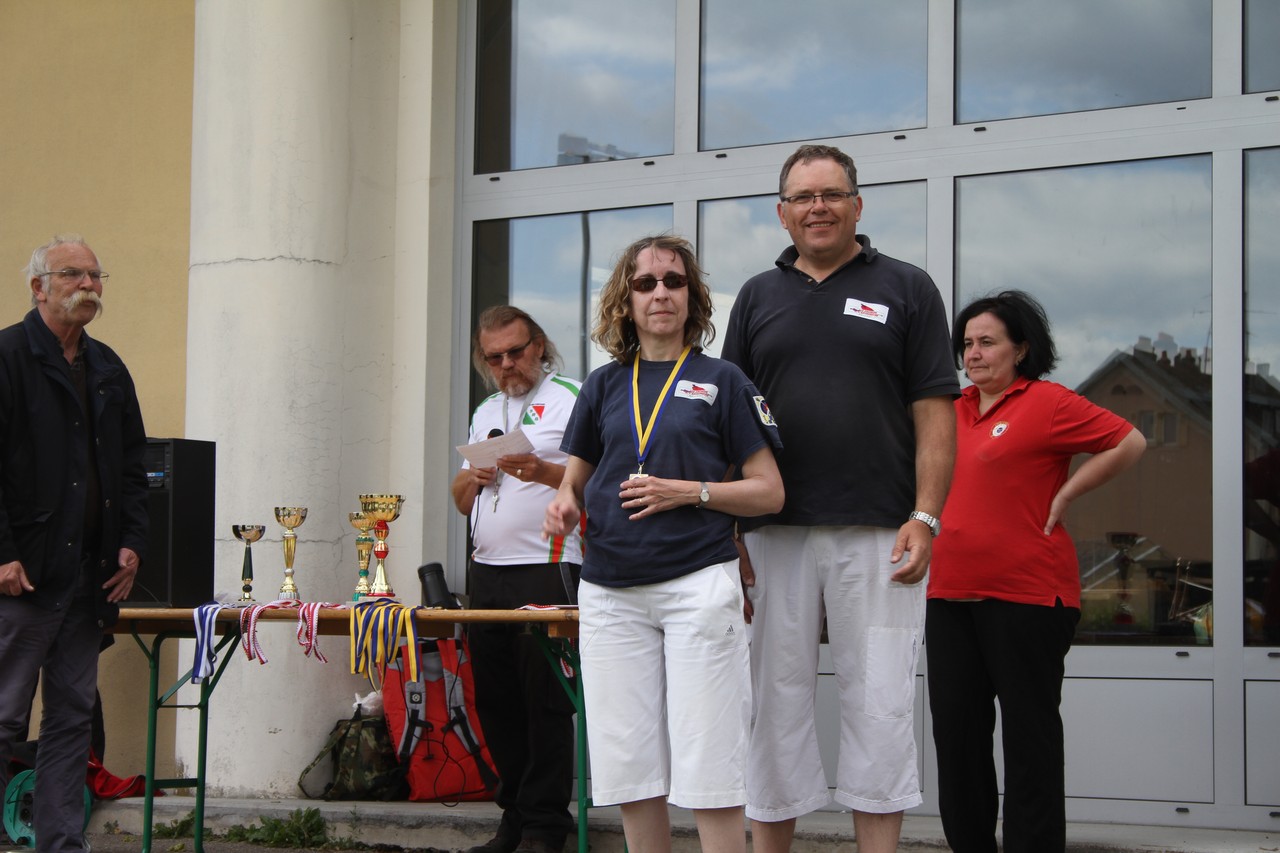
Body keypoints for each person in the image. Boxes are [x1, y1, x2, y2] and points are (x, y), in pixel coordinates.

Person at [721, 144, 958, 853]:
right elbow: (726, 421)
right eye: (802, 197)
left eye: (830, 193)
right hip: (772, 534)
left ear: (857, 203)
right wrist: (727, 532)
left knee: (880, 701)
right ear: (782, 212)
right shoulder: (757, 297)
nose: (816, 207)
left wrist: (925, 514)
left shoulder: (907, 287)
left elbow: (935, 413)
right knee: (773, 704)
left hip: (881, 531)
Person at [543, 235, 783, 853]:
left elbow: (769, 493)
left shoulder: (723, 380)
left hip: (697, 584)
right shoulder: (601, 384)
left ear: (692, 298)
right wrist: (567, 500)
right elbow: (577, 475)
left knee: (712, 758)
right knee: (630, 765)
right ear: (625, 301)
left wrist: (693, 493)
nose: (660, 293)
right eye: (645, 283)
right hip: (610, 593)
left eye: (673, 282)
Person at [927, 291, 1145, 853]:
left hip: (1028, 597)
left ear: (1021, 349)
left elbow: (1129, 440)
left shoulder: (1047, 403)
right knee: (959, 741)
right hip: (948, 596)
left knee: (1030, 741)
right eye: (967, 344)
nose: (973, 354)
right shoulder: (948, 411)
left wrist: (1071, 489)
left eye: (988, 342)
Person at [0, 234, 149, 853]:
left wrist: (133, 542)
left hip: (87, 580)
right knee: (3, 719)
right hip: (23, 577)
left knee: (69, 722)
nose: (88, 286)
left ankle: (60, 844)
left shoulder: (109, 367)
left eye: (95, 275)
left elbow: (135, 468)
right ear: (39, 287)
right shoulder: (8, 356)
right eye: (71, 275)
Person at [451, 306, 583, 853]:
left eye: (517, 351)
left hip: (550, 567)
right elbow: (461, 501)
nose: (509, 364)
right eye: (495, 357)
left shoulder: (573, 397)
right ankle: (515, 817)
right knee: (497, 699)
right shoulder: (486, 411)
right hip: (488, 572)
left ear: (539, 345)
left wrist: (542, 471)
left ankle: (548, 824)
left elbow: (594, 482)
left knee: (545, 699)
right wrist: (473, 478)